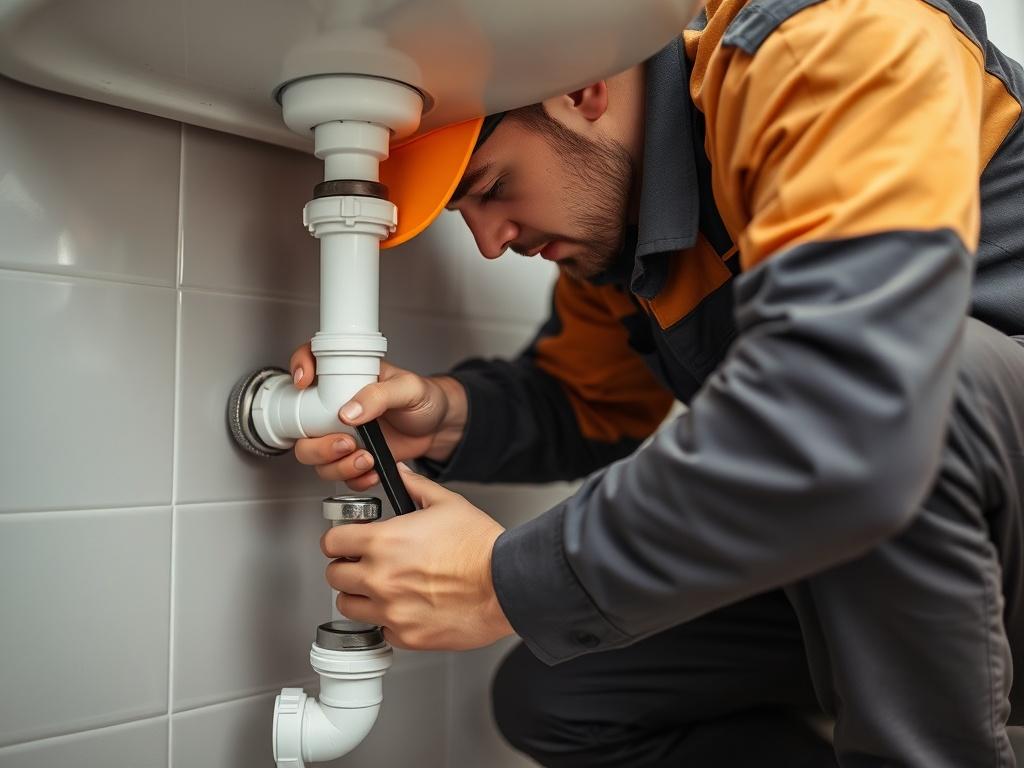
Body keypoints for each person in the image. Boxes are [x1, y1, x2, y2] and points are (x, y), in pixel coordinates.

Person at [287, 0, 1024, 764]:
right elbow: (587, 401)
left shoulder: (829, 40)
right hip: (904, 537)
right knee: (563, 700)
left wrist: (507, 582)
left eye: (492, 187)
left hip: (979, 519)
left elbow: (852, 407)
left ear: (581, 89)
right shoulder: (630, 230)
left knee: (930, 385)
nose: (490, 242)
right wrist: (445, 416)